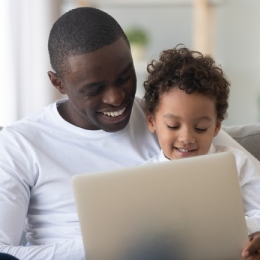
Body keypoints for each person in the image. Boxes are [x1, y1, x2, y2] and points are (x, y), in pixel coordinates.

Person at [0, 7, 259, 260]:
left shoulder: (167, 118)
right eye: (95, 88)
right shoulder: (19, 144)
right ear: (59, 83)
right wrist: (108, 245)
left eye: (124, 77)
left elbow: (230, 168)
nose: (116, 98)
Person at [142, 45, 260, 259]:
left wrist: (242, 230)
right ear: (152, 121)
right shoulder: (141, 177)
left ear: (216, 127)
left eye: (200, 128)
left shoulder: (235, 163)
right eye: (173, 126)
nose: (186, 138)